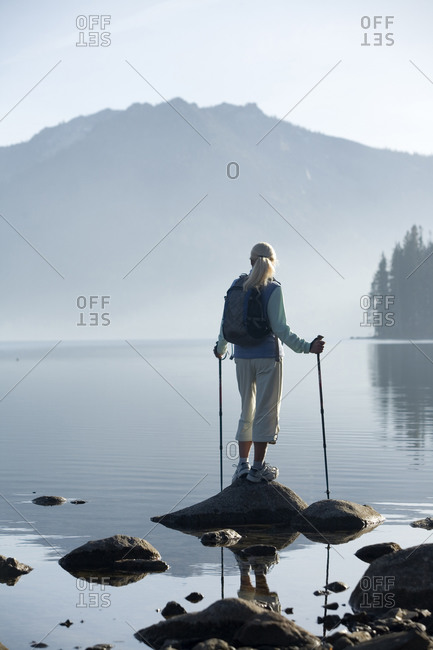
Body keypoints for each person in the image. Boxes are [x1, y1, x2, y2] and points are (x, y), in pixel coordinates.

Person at [214, 242, 325, 484]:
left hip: (241, 357)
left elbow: (226, 324)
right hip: (268, 358)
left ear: (251, 261)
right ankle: (257, 469)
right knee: (265, 412)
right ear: (272, 263)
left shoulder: (236, 286)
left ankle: (241, 467)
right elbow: (281, 330)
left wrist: (220, 349)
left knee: (247, 411)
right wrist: (307, 347)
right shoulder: (273, 289)